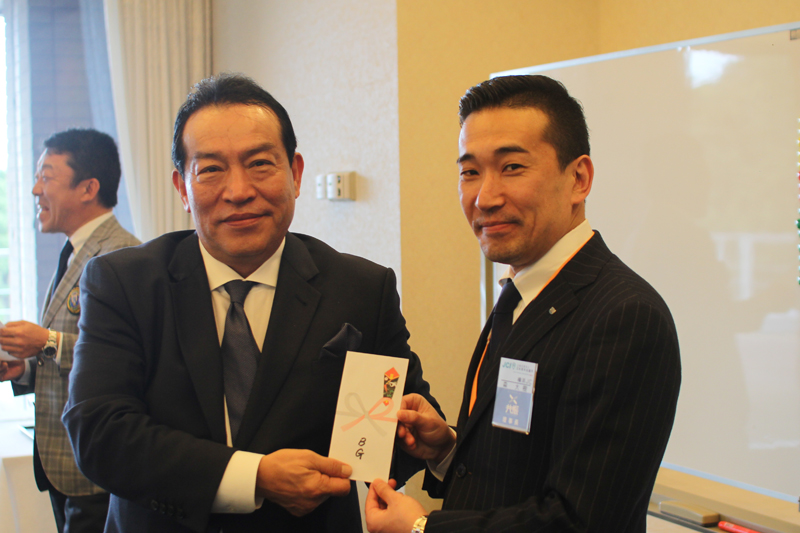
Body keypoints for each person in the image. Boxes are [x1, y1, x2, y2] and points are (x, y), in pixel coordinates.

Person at [62, 74, 440, 533]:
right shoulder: (123, 283)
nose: (239, 190)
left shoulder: (361, 288)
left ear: (295, 174)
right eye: (211, 169)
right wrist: (254, 476)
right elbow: (100, 433)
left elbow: (393, 435)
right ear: (182, 188)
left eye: (260, 163)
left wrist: (437, 444)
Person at [364, 75, 681, 533]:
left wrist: (423, 529)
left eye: (512, 167)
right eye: (470, 172)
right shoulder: (520, 294)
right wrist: (447, 449)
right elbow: (520, 466)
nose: (485, 197)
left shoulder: (625, 317)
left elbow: (580, 520)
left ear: (579, 179)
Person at [0, 128, 140, 533]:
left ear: (88, 188)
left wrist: (44, 341)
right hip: (63, 462)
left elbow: (130, 357)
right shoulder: (73, 252)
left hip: (94, 468)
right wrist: (24, 369)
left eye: (46, 177)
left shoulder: (121, 255)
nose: (34, 190)